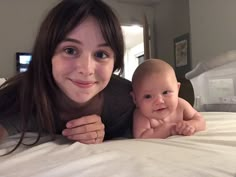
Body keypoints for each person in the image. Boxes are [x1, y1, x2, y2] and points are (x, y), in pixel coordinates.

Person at [0, 0, 135, 153]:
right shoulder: (22, 95)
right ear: (48, 54)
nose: (86, 69)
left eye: (101, 54)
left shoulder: (129, 98)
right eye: (70, 50)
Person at [130, 59, 205, 139]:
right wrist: (168, 129)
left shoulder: (181, 105)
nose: (159, 101)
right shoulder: (142, 115)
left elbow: (201, 120)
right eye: (148, 96)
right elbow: (141, 136)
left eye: (165, 92)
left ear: (177, 89)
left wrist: (192, 125)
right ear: (135, 99)